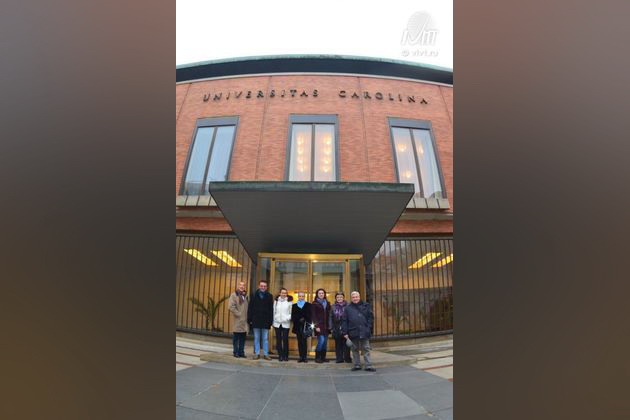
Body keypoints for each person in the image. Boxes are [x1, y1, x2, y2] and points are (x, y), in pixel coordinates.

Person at [341, 291, 375, 372]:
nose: (355, 298)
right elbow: (344, 321)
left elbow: (370, 318)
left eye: (356, 297)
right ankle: (357, 365)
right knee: (354, 349)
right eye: (353, 297)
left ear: (359, 297)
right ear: (351, 298)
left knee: (366, 348)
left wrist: (368, 327)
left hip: (364, 331)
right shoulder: (348, 308)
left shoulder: (366, 305)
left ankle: (368, 365)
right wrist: (345, 332)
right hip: (353, 331)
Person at [247, 280, 274, 360]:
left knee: (265, 339)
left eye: (264, 286)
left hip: (265, 321)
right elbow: (250, 308)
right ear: (259, 286)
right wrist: (250, 319)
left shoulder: (269, 296)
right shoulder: (254, 295)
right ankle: (257, 353)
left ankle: (266, 354)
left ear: (267, 287)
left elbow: (271, 309)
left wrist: (270, 320)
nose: (263, 287)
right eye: (261, 286)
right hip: (256, 320)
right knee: (256, 338)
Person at [329, 291, 352, 363]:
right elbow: (330, 317)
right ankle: (339, 359)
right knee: (338, 344)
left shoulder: (348, 306)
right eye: (338, 297)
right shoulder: (333, 306)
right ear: (336, 298)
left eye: (341, 297)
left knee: (346, 344)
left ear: (343, 298)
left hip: (346, 327)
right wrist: (331, 328)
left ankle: (347, 358)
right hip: (336, 327)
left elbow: (350, 317)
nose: (339, 298)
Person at [228, 281, 249, 358]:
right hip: (237, 320)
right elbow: (231, 307)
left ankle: (241, 352)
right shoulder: (234, 295)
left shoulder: (245, 295)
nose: (242, 286)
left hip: (244, 321)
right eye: (240, 285)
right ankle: (235, 352)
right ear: (238, 286)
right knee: (236, 338)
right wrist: (239, 314)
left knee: (243, 338)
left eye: (243, 285)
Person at [311, 288, 331, 363]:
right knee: (321, 340)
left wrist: (330, 325)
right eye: (319, 293)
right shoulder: (314, 303)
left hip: (326, 326)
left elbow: (329, 315)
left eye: (322, 293)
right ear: (317, 294)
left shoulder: (328, 303)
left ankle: (323, 357)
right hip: (319, 326)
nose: (321, 294)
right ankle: (317, 357)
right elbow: (313, 316)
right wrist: (316, 326)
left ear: (324, 294)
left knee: (325, 342)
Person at [291, 291, 312, 363]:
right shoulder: (294, 305)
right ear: (298, 297)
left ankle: (305, 357)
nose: (301, 297)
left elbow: (310, 315)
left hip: (305, 326)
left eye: (302, 296)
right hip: (297, 326)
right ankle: (300, 357)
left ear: (304, 297)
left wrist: (304, 318)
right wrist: (298, 319)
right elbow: (293, 316)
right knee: (299, 341)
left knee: (304, 341)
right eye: (300, 296)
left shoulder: (309, 305)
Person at [273, 288, 293, 362]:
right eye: (282, 293)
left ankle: (286, 355)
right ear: (280, 293)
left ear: (286, 294)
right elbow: (274, 311)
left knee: (285, 339)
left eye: (285, 293)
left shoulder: (289, 302)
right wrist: (274, 320)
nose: (284, 294)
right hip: (277, 323)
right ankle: (280, 355)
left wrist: (286, 319)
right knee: (278, 340)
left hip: (285, 323)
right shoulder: (276, 301)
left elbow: (291, 313)